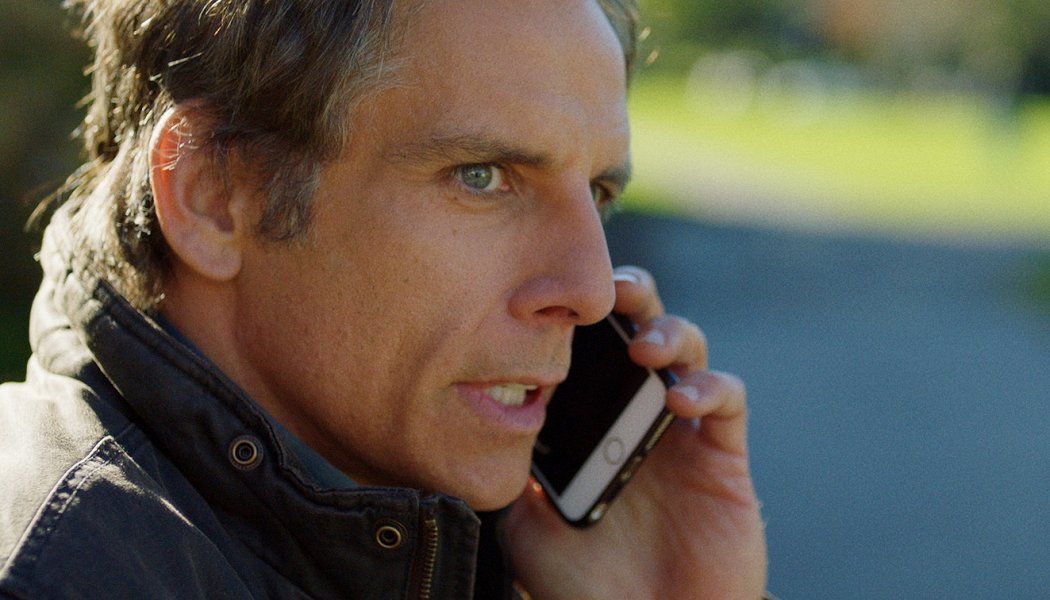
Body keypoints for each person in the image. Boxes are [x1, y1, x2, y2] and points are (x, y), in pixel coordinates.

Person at [0, 0, 768, 597]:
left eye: (598, 191)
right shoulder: (49, 576)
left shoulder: (449, 535)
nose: (592, 291)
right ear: (214, 196)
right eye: (482, 177)